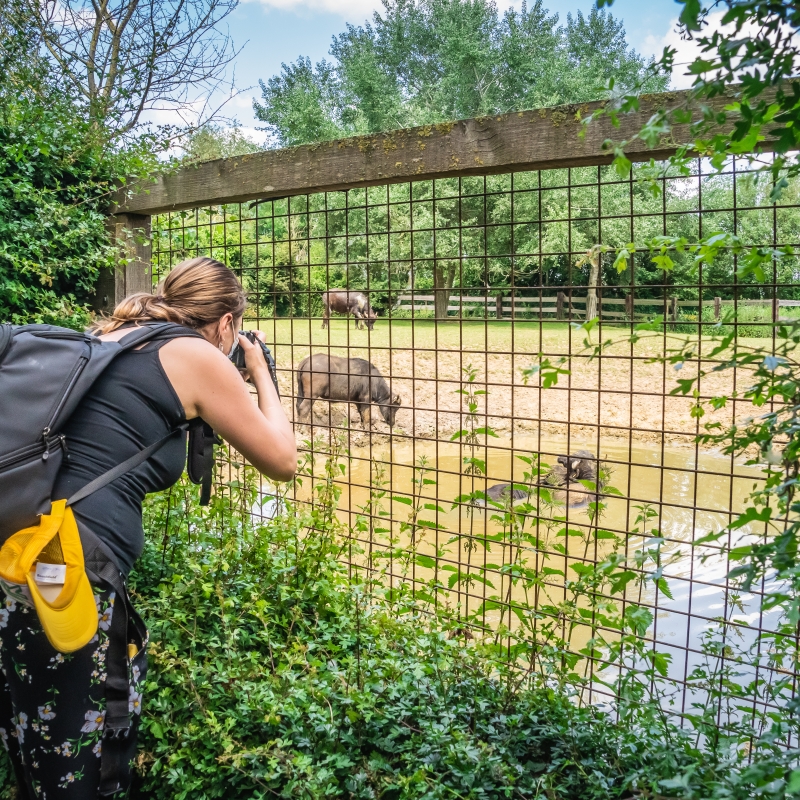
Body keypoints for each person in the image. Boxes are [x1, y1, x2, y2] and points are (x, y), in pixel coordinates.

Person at [0, 257, 297, 799]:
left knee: (32, 727)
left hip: (22, 546)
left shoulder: (113, 335)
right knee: (78, 749)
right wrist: (258, 371)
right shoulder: (196, 354)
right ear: (226, 323)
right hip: (71, 573)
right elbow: (282, 461)